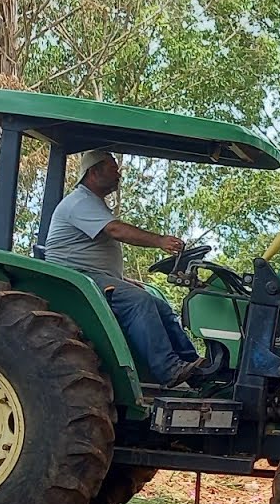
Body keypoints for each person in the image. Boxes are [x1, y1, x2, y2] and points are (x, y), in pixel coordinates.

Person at [45, 150, 204, 387]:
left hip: (93, 277)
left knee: (158, 303)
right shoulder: (79, 202)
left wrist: (121, 279)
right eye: (113, 168)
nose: (119, 174)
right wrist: (160, 241)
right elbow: (116, 231)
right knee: (138, 301)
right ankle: (169, 369)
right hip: (75, 281)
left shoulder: (92, 203)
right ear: (94, 171)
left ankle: (194, 368)